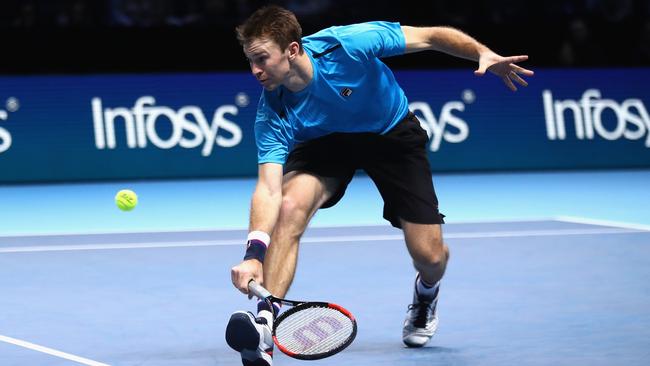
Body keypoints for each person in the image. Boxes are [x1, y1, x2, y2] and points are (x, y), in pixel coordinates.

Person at [226, 5, 533, 365]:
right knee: (290, 207)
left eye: (261, 59)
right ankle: (266, 323)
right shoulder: (271, 109)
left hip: (389, 133)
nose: (255, 70)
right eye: (250, 60)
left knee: (430, 257)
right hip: (325, 142)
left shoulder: (349, 44)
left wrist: (480, 53)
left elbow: (430, 36)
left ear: (292, 50)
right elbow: (268, 189)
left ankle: (426, 293)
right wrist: (253, 255)